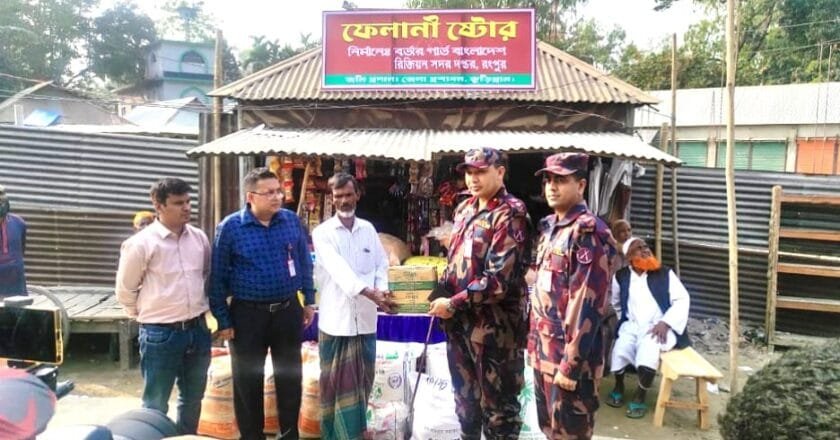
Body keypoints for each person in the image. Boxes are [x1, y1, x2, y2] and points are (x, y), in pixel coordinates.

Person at [428, 147, 529, 440]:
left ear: (500, 172)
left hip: (494, 333)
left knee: (499, 413)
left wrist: (454, 302)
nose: (473, 178)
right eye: (469, 172)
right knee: (465, 406)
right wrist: (440, 291)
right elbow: (457, 260)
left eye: (481, 171)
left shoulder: (511, 213)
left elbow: (499, 279)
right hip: (461, 328)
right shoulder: (465, 209)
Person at [209, 167, 315, 440]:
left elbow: (303, 262)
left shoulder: (291, 221)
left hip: (287, 311)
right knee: (247, 381)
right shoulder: (231, 227)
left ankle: (289, 434)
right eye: (269, 192)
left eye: (278, 191)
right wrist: (223, 319)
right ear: (250, 196)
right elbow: (217, 276)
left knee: (290, 377)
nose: (277, 196)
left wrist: (309, 301)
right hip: (247, 315)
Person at [528, 152, 616, 440]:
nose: (552, 186)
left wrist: (570, 365)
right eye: (549, 180)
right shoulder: (551, 228)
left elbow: (586, 307)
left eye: (561, 180)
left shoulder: (589, 233)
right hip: (544, 354)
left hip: (571, 362)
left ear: (581, 185)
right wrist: (533, 348)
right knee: (549, 430)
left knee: (570, 435)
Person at [115, 177, 212, 435]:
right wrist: (146, 316)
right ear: (158, 205)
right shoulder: (141, 244)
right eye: (178, 203)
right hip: (161, 334)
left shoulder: (199, 238)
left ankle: (185, 436)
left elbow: (203, 275)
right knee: (155, 404)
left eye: (189, 201)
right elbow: (125, 290)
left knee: (193, 399)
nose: (186, 208)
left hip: (197, 330)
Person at [311, 172, 395, 440]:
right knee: (335, 388)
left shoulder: (368, 230)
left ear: (357, 195)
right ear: (331, 198)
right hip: (336, 323)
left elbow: (381, 265)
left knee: (362, 384)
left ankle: (357, 434)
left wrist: (382, 290)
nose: (344, 201)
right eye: (338, 196)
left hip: (366, 322)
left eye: (348, 195)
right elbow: (340, 271)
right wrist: (370, 293)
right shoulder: (322, 233)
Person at [605, 237, 690, 419]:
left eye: (645, 246)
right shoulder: (621, 276)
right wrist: (625, 321)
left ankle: (640, 396)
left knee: (648, 353)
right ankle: (618, 387)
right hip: (632, 324)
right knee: (620, 350)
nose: (645, 250)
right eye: (639, 248)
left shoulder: (665, 273)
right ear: (629, 257)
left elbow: (682, 299)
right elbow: (617, 303)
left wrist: (666, 322)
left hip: (658, 327)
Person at [0, 184, 27, 297]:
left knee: (18, 312)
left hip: (16, 279)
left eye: (2, 194)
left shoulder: (19, 222)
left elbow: (21, 249)